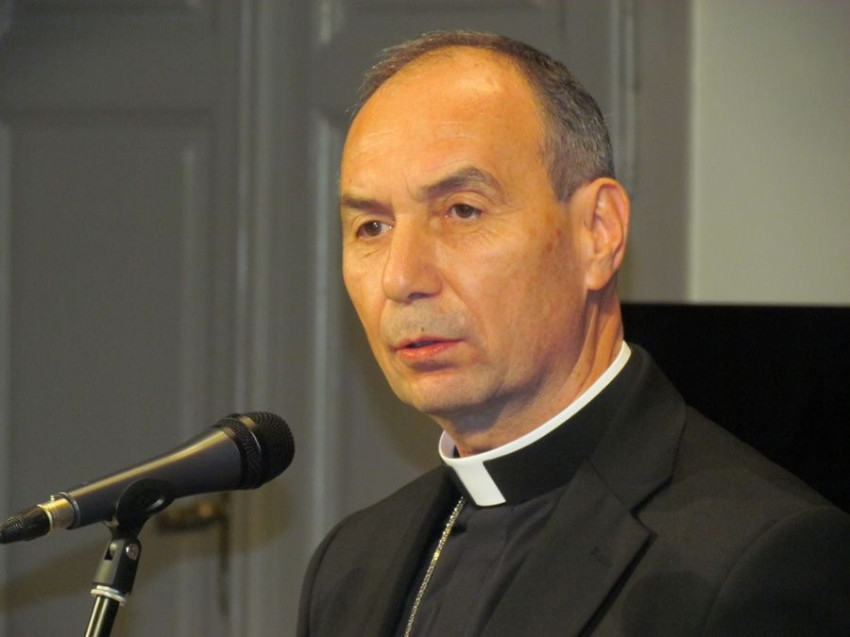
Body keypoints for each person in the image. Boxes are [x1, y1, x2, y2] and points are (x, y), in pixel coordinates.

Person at [297, 30, 850, 636]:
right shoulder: (350, 564)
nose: (402, 277)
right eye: (371, 227)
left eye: (462, 210)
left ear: (598, 232)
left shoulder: (757, 559)